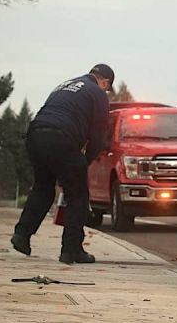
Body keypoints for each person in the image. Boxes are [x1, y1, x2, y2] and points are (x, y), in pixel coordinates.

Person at [11, 64, 114, 264]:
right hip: (62, 138)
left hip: (36, 135)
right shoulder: (98, 94)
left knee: (43, 187)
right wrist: (85, 161)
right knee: (78, 194)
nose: (106, 92)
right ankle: (71, 249)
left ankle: (22, 235)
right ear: (105, 82)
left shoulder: (65, 85)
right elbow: (98, 135)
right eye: (107, 89)